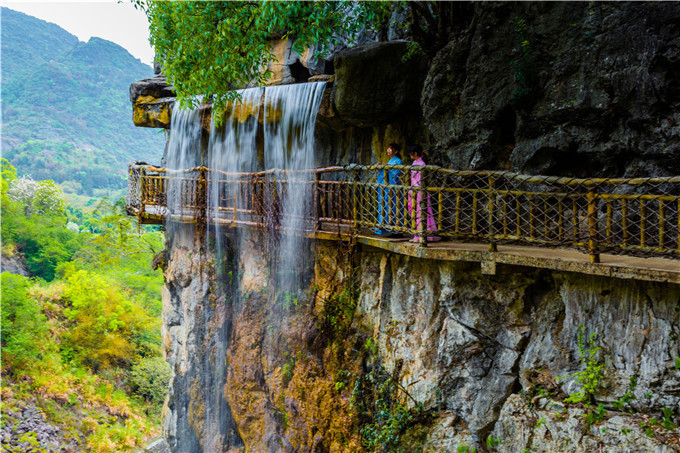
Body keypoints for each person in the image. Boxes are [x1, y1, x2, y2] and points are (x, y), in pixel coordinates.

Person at [408, 144, 441, 243]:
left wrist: (415, 189)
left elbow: (419, 179)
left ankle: (422, 234)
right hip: (414, 189)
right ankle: (417, 234)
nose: (410, 154)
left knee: (422, 211)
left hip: (419, 190)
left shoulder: (422, 164)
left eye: (411, 153)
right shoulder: (415, 162)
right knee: (416, 211)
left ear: (416, 153)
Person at [374, 143, 403, 236]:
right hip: (387, 189)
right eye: (388, 148)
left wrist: (385, 167)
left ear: (396, 151)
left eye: (391, 149)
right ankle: (385, 227)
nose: (388, 150)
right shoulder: (391, 161)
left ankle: (396, 230)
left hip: (394, 189)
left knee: (394, 207)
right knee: (385, 206)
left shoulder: (398, 161)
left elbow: (395, 174)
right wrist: (383, 166)